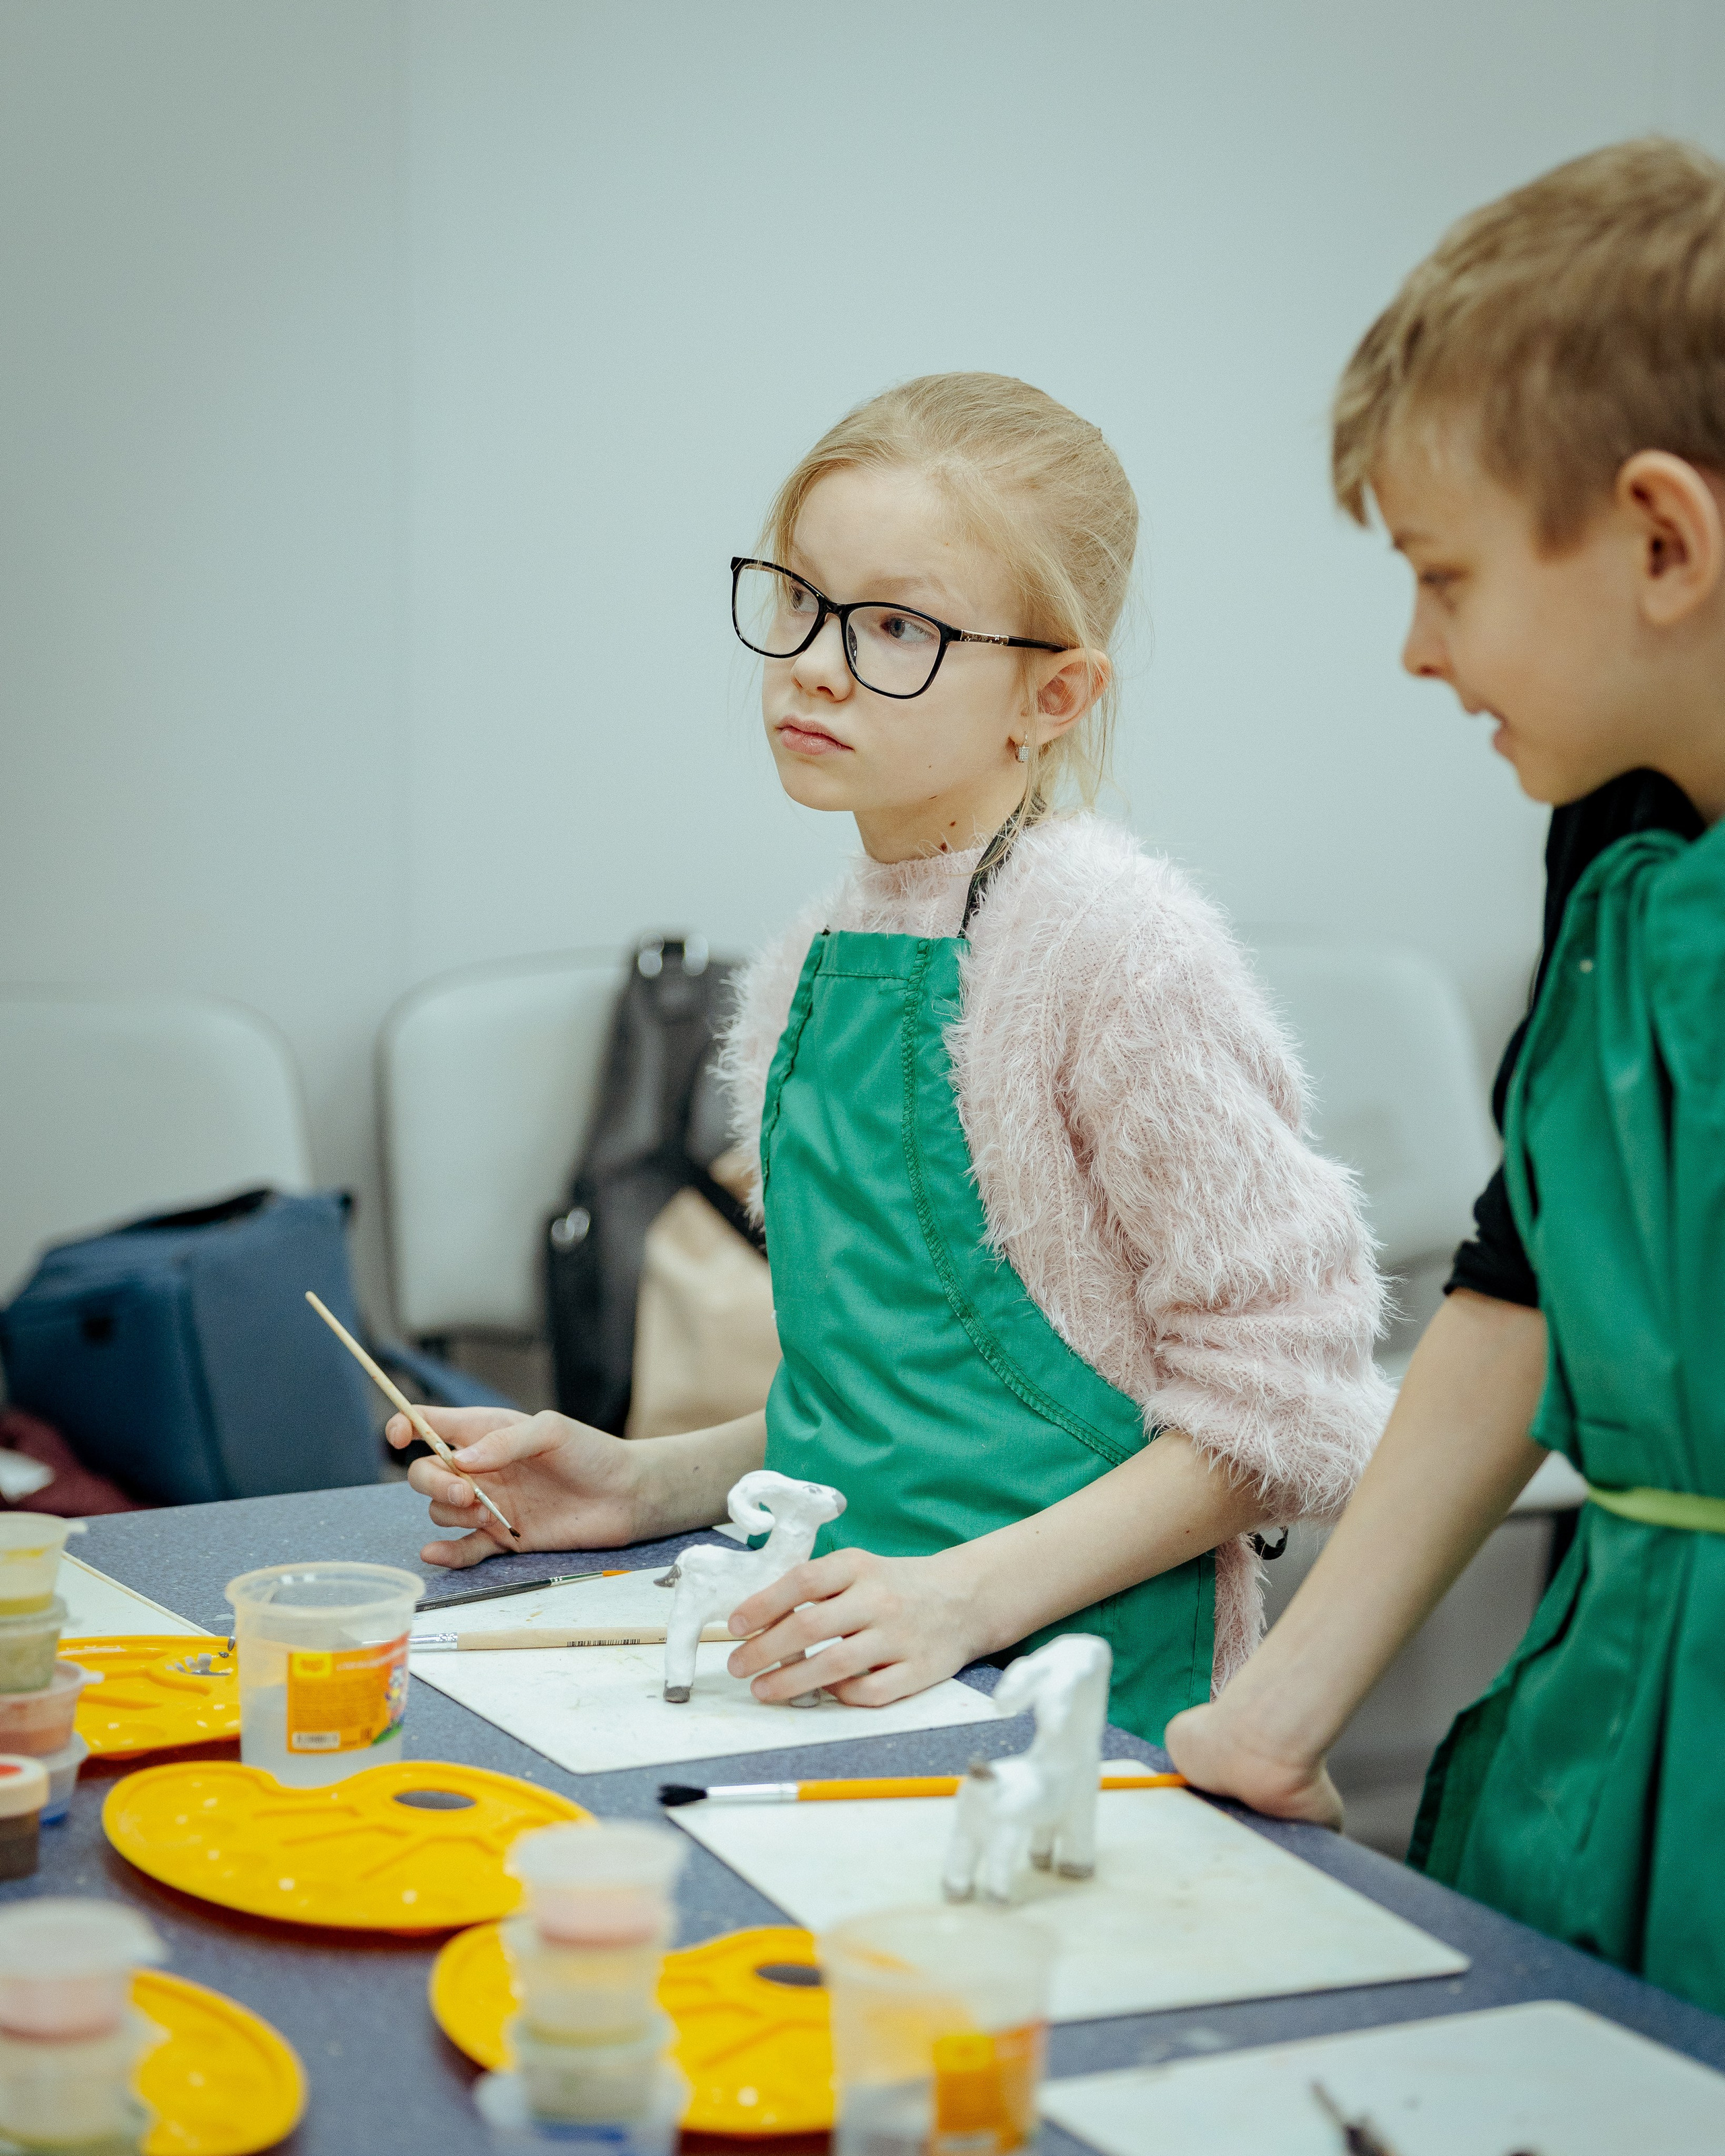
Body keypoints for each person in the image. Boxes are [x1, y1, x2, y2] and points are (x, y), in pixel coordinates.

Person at [391, 373, 1389, 1744]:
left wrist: (963, 1604)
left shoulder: (1115, 946)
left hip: (1079, 1700)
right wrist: (634, 1485)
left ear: (1051, 693)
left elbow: (1282, 1418)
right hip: (844, 1660)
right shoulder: (812, 955)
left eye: (896, 627)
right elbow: (875, 1414)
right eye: (798, 600)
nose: (812, 660)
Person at [1166, 139, 1725, 2012]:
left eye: (1447, 578)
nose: (1417, 651)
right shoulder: (1617, 834)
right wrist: (1283, 1708)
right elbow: (1521, 1289)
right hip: (1627, 1716)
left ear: (1664, 540)